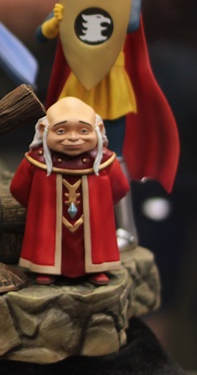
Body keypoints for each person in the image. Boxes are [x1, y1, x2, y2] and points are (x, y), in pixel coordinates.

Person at [37, 0, 178, 194]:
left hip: (111, 79)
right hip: (79, 81)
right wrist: (55, 22)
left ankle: (118, 212)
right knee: (71, 151)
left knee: (112, 153)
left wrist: (108, 2)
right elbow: (42, 34)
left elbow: (132, 23)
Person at [9, 97, 129, 285]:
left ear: (97, 128)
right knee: (49, 240)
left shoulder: (104, 161)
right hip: (49, 220)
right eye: (61, 131)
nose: (73, 137)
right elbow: (18, 188)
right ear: (44, 130)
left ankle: (96, 269)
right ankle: (46, 267)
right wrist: (38, 208)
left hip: (93, 222)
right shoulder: (37, 161)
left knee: (93, 242)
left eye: (83, 131)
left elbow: (120, 188)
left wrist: (101, 207)